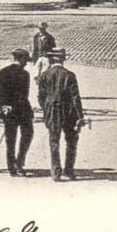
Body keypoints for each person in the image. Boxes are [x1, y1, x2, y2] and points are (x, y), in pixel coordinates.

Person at [37, 48, 85, 181]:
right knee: (71, 141)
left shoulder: (45, 75)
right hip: (69, 112)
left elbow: (41, 97)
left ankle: (56, 172)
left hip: (52, 111)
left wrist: (46, 109)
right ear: (63, 59)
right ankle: (69, 170)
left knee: (54, 141)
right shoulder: (69, 75)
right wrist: (80, 116)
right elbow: (75, 97)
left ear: (51, 59)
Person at [0, 48, 34, 176]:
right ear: (20, 59)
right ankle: (19, 162)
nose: (26, 63)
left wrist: (3, 106)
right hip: (22, 111)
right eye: (25, 61)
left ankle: (11, 167)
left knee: (10, 140)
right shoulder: (25, 74)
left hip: (9, 112)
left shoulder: (3, 72)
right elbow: (24, 95)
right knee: (27, 135)